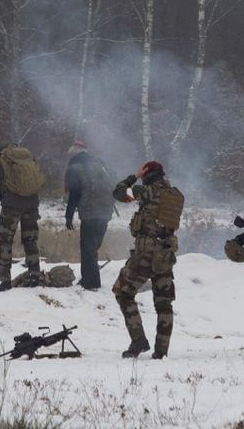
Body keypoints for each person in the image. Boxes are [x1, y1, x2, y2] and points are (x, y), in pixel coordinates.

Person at [111, 161, 183, 359]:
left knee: (123, 292)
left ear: (148, 175)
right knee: (164, 303)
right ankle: (161, 351)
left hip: (145, 253)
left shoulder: (147, 192)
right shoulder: (177, 195)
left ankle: (138, 341)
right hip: (166, 253)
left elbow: (118, 192)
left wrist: (133, 176)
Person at [0, 136, 45, 291]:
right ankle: (35, 276)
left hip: (11, 205)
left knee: (5, 241)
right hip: (32, 202)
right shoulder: (21, 154)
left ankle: (5, 281)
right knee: (30, 239)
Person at [64, 141, 115, 289]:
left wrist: (68, 216)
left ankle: (91, 283)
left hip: (90, 213)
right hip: (106, 211)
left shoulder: (75, 168)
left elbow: (74, 193)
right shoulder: (100, 164)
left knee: (88, 248)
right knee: (93, 247)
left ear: (74, 154)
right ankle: (89, 279)